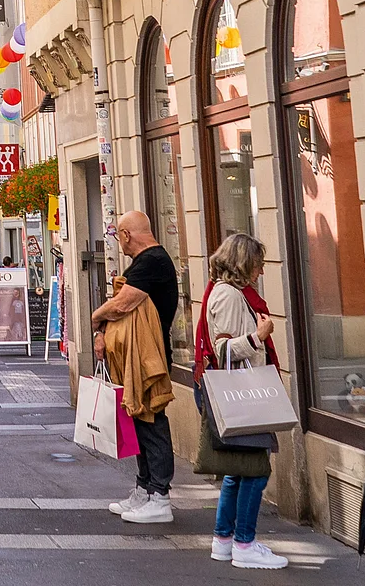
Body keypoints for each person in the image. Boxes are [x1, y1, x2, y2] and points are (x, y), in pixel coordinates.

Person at [199, 232, 286, 570]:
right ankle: (244, 543)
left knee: (238, 471)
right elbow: (223, 350)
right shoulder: (230, 296)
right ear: (243, 264)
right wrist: (257, 337)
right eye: (257, 265)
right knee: (255, 471)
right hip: (246, 396)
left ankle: (224, 539)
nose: (260, 272)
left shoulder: (223, 292)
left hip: (242, 394)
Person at [94, 210, 180, 524]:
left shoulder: (153, 261)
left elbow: (122, 303)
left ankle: (160, 496)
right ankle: (144, 489)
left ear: (128, 234)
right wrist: (102, 331)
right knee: (139, 421)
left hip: (149, 359)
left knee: (151, 422)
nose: (121, 244)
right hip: (137, 359)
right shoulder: (145, 262)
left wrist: (95, 317)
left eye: (120, 237)